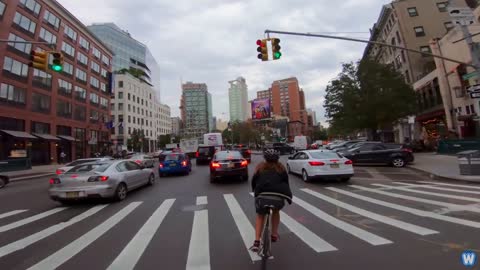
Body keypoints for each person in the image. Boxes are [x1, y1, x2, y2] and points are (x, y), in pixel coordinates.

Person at [250, 149, 292, 252]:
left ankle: (256, 242)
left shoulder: (260, 168)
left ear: (265, 158)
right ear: (277, 159)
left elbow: (254, 182)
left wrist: (255, 191)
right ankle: (274, 234)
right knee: (276, 211)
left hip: (262, 197)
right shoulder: (281, 169)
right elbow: (286, 183)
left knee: (260, 216)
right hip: (278, 199)